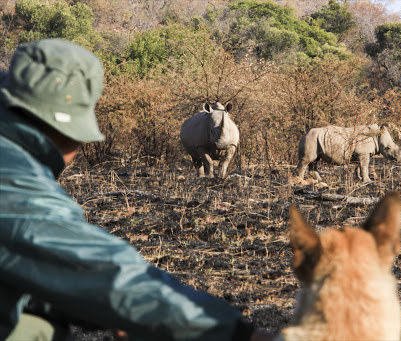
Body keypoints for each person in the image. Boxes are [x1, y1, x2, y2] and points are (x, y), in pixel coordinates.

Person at [0, 39, 272, 341]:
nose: (77, 149)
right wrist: (236, 333)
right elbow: (101, 271)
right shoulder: (11, 182)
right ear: (58, 130)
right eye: (77, 137)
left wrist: (89, 311)